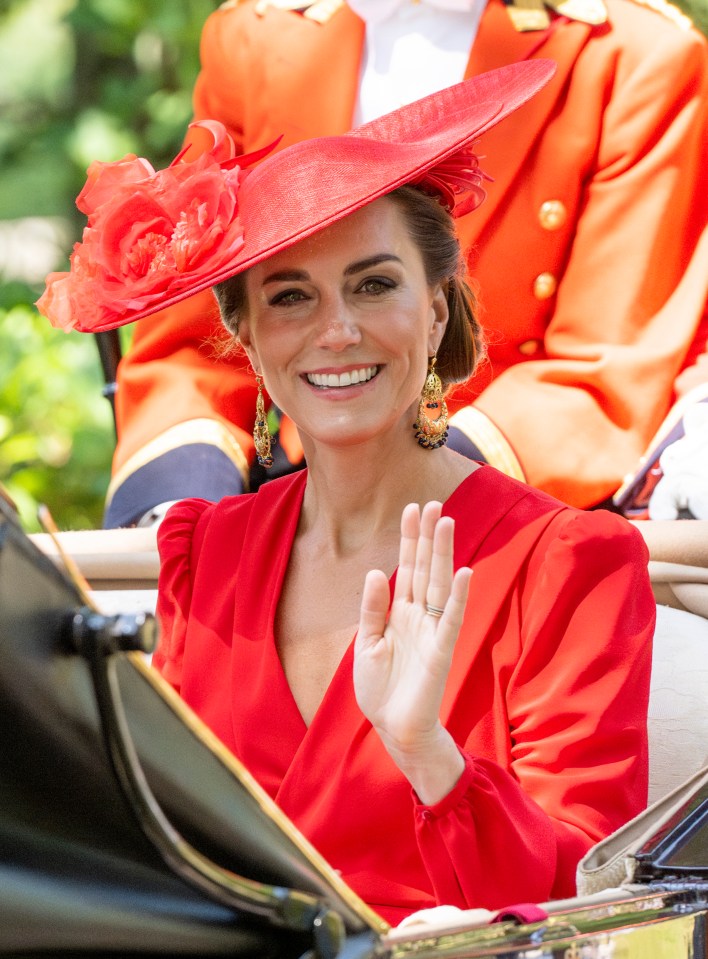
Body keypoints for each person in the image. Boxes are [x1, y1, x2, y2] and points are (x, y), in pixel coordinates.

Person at [37, 65, 656, 925]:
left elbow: (594, 904)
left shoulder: (572, 565)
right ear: (247, 338)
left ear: (438, 311)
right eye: (291, 297)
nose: (338, 331)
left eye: (375, 284)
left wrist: (429, 756)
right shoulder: (204, 552)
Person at [103, 0, 708, 528]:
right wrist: (177, 516)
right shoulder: (255, 40)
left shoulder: (634, 54)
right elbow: (195, 345)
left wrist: (412, 502)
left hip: (510, 508)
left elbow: (603, 368)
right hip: (282, 499)